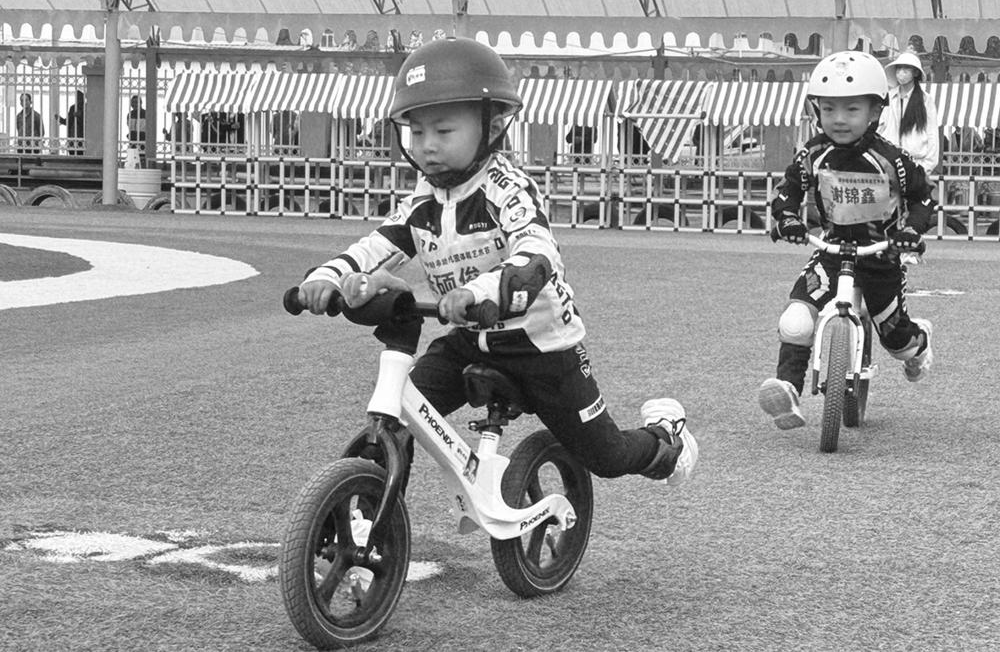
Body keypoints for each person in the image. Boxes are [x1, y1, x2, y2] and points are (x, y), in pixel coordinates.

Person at [296, 37, 698, 485]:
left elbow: (536, 251)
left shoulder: (506, 189)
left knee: (605, 456)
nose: (427, 145)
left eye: (443, 131)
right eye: (417, 132)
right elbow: (377, 246)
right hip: (472, 339)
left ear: (491, 127)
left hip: (541, 346)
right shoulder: (424, 199)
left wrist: (477, 291)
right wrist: (328, 276)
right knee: (400, 414)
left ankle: (667, 438)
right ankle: (377, 515)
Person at [759, 50, 936, 430]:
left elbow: (923, 198)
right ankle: (787, 392)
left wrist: (909, 232)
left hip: (880, 257)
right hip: (831, 252)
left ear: (875, 112)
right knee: (795, 322)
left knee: (897, 342)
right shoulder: (812, 153)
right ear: (816, 110)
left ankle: (919, 341)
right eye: (828, 109)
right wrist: (787, 219)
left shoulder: (893, 159)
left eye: (852, 109)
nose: (838, 119)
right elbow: (788, 190)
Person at [877, 52, 940, 175]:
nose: (901, 72)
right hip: (889, 162)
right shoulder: (889, 97)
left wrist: (925, 168)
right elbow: (880, 128)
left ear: (915, 73)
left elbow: (932, 134)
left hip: (916, 164)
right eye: (899, 68)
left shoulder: (925, 100)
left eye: (906, 68)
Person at [56, 90, 85, 154]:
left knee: (81, 153)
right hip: (72, 136)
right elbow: (68, 121)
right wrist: (61, 120)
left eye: (80, 97)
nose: (78, 99)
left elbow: (90, 122)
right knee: (72, 153)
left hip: (82, 137)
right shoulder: (73, 108)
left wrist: (80, 116)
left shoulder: (86, 107)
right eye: (77, 97)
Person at [125, 95, 147, 167]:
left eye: (136, 102)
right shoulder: (130, 114)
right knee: (132, 160)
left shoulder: (145, 113)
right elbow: (129, 126)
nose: (134, 104)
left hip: (142, 140)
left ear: (141, 103)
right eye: (133, 102)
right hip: (132, 140)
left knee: (142, 158)